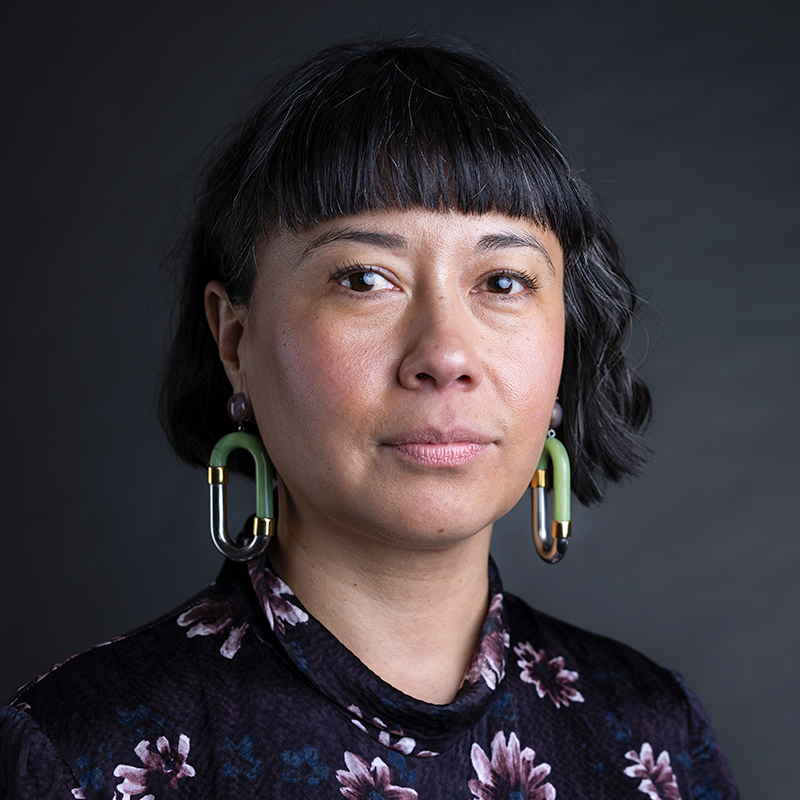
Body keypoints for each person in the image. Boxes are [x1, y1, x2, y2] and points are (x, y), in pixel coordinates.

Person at [0, 34, 738, 799]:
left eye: (505, 281)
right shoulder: (80, 755)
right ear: (235, 339)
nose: (445, 354)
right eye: (363, 278)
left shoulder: (654, 738)